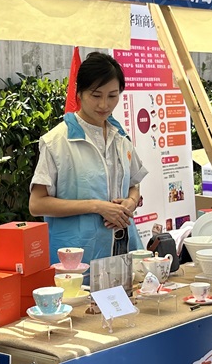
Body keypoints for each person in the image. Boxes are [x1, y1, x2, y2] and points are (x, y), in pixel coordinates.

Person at [29, 51, 146, 263]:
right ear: (80, 93)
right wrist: (96, 206)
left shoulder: (120, 137)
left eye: (112, 96)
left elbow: (134, 184)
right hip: (75, 257)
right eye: (96, 95)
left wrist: (131, 201)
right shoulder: (57, 141)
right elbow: (37, 204)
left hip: (122, 250)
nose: (104, 105)